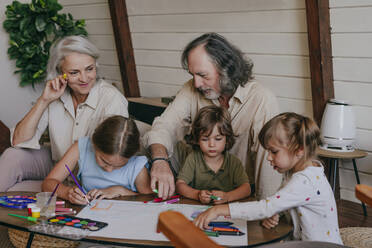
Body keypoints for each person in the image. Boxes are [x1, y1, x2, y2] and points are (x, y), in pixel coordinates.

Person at [143, 32, 281, 200]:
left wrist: (267, 208)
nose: (196, 83)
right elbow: (165, 125)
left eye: (202, 75)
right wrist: (159, 160)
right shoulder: (191, 88)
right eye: (192, 75)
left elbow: (267, 165)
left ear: (226, 69)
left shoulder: (262, 99)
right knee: (142, 133)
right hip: (198, 186)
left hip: (241, 193)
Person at [0, 36, 128, 191]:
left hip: (91, 173)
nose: (84, 78)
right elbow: (18, 141)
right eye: (74, 72)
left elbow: (112, 155)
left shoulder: (113, 99)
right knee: (12, 155)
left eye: (89, 69)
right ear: (60, 73)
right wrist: (44, 100)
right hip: (56, 164)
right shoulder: (56, 94)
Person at [194, 112, 343, 244]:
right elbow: (282, 202)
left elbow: (266, 207)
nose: (269, 158)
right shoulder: (300, 172)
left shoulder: (305, 181)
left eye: (274, 152)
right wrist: (277, 213)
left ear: (299, 150)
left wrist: (219, 210)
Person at [42, 116, 152, 204]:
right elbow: (48, 184)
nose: (109, 170)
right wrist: (67, 193)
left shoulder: (137, 167)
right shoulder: (83, 147)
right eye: (104, 161)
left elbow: (151, 199)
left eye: (119, 165)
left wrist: (121, 191)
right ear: (94, 145)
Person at [176, 106, 251, 204]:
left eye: (218, 139)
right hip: (197, 210)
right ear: (197, 140)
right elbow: (180, 185)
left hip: (225, 212)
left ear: (227, 139)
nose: (211, 144)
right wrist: (197, 194)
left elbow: (246, 189)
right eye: (205, 139)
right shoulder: (193, 158)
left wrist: (227, 197)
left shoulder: (233, 162)